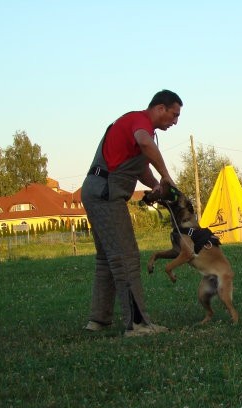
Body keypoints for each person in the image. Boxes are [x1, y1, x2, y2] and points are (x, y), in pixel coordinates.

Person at [81, 89, 182, 337]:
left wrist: (155, 185)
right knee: (126, 256)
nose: (175, 122)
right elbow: (144, 143)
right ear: (160, 108)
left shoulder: (139, 127)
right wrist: (166, 176)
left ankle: (98, 320)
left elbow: (139, 167)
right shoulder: (140, 122)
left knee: (107, 257)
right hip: (106, 193)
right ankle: (137, 324)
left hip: (96, 190)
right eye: (174, 114)